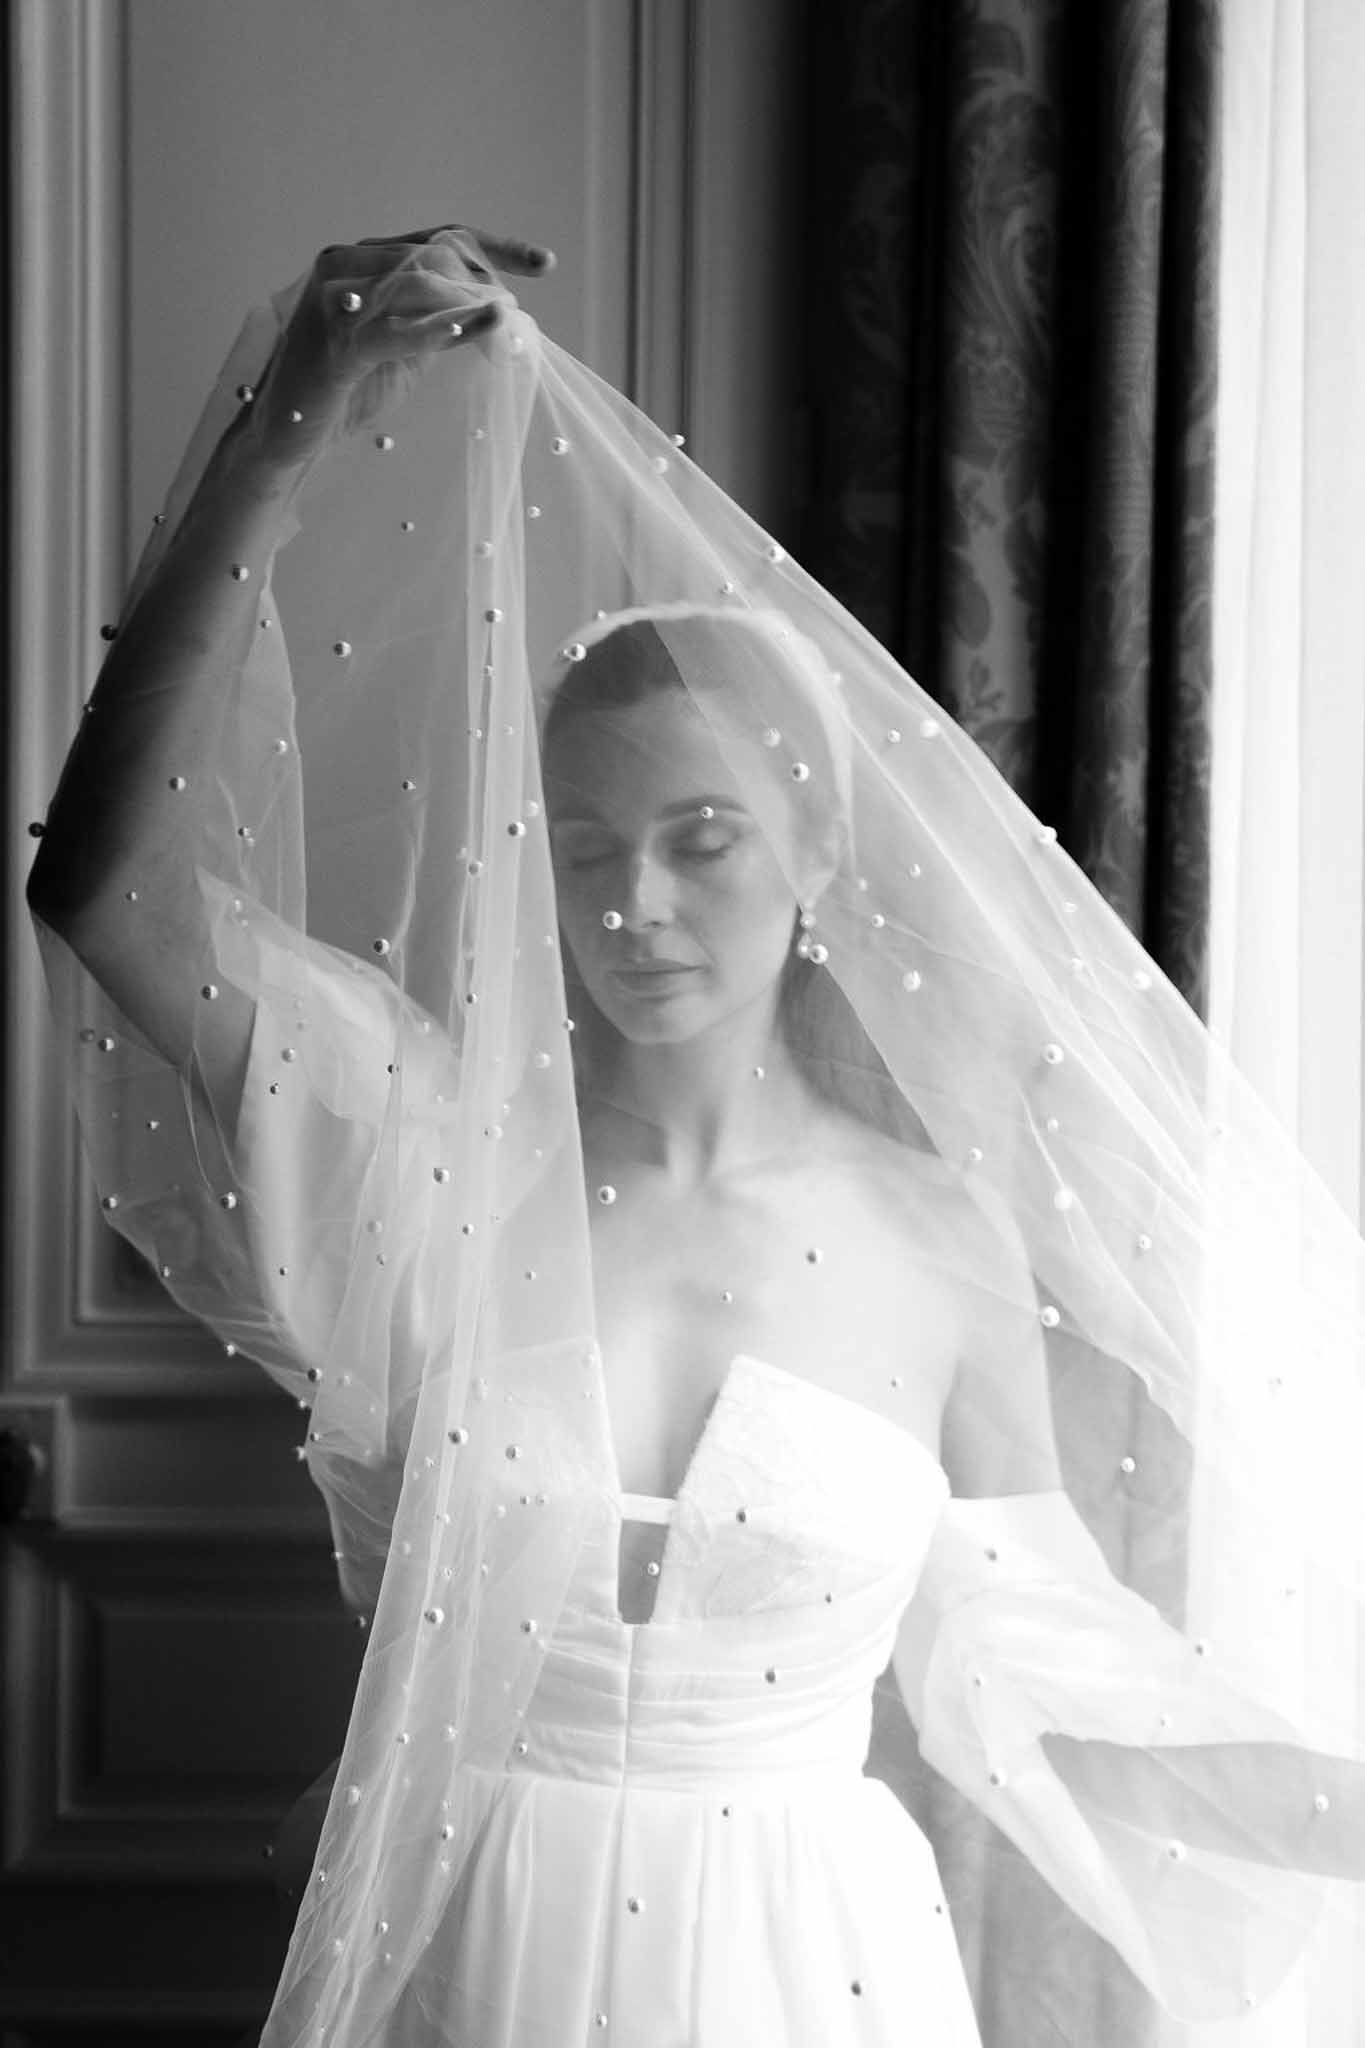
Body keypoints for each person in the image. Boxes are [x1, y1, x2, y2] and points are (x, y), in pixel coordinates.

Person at [26, 224, 1365, 2047]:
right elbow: (107, 883)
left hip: (817, 1964)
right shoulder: (416, 1153)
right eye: (582, 850)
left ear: (816, 855)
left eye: (702, 838)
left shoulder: (934, 1242)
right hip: (463, 1938)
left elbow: (1064, 1691)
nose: (636, 905)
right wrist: (291, 421)